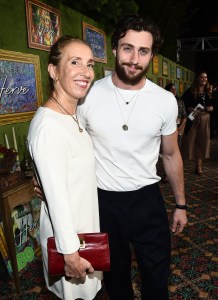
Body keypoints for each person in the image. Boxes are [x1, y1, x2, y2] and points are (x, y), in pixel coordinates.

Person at [35, 15, 187, 300]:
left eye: (143, 51)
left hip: (148, 200)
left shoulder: (165, 101)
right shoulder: (87, 94)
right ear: (115, 49)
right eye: (127, 48)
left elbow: (170, 153)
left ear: (152, 56)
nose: (134, 58)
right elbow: (64, 137)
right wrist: (40, 173)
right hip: (103, 203)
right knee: (115, 282)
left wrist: (180, 203)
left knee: (157, 277)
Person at [27, 36, 102, 300]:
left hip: (85, 233)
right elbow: (57, 200)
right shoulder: (49, 126)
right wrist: (70, 254)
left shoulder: (72, 115)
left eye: (90, 64)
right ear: (53, 70)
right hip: (70, 243)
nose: (86, 72)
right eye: (75, 62)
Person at [181, 71, 214, 175]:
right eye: (201, 77)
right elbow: (183, 103)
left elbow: (215, 105)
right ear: (197, 78)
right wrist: (189, 108)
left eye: (206, 77)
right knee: (188, 142)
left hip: (205, 118)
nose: (204, 79)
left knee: (202, 142)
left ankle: (198, 167)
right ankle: (179, 167)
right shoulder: (190, 91)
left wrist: (212, 107)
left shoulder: (210, 91)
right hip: (193, 117)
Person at [161, 83, 187, 182]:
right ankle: (166, 174)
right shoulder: (163, 101)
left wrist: (180, 128)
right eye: (172, 89)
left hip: (177, 129)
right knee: (166, 152)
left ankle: (174, 174)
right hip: (166, 130)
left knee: (176, 152)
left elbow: (185, 116)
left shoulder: (180, 101)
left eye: (175, 89)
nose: (174, 91)